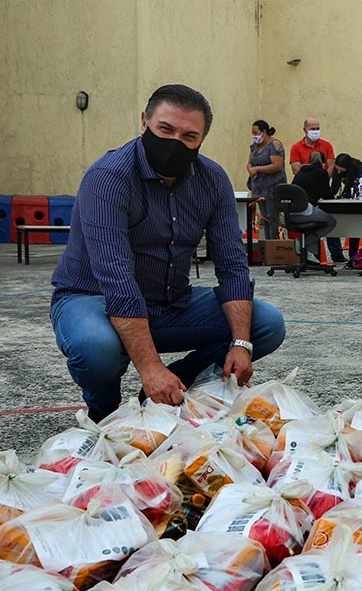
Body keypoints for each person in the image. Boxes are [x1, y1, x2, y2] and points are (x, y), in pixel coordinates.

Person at [50, 84, 286, 422]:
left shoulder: (211, 180)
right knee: (96, 348)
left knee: (266, 324)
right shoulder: (108, 178)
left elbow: (232, 265)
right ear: (144, 121)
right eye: (165, 129)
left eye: (189, 136)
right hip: (93, 299)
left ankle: (169, 387)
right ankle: (105, 410)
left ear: (202, 139)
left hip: (168, 302)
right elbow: (116, 279)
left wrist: (241, 344)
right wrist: (149, 365)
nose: (175, 142)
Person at [291, 150, 338, 264]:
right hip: (306, 211)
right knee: (331, 222)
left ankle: (310, 255)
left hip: (291, 213)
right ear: (323, 163)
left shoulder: (300, 173)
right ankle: (303, 243)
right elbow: (327, 195)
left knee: (314, 226)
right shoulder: (321, 173)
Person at [332, 152, 362, 260]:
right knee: (353, 227)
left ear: (347, 167)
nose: (338, 172)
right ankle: (351, 255)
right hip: (350, 197)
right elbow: (335, 186)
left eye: (341, 170)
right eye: (337, 169)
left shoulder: (360, 168)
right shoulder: (337, 170)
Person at [248, 119, 286, 240]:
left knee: (272, 218)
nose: (254, 136)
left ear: (264, 132)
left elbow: (277, 165)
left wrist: (257, 169)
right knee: (264, 218)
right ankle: (267, 244)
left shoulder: (275, 145)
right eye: (252, 133)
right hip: (259, 188)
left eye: (256, 133)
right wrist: (250, 169)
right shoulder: (254, 147)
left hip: (272, 189)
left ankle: (274, 244)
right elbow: (249, 162)